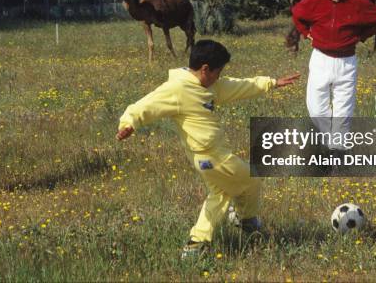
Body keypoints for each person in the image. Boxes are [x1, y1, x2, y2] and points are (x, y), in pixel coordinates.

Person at [116, 40, 299, 258]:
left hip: (213, 157)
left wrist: (271, 83)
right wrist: (128, 123)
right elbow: (144, 106)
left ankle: (196, 244)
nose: (219, 77)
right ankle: (246, 221)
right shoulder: (177, 89)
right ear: (205, 69)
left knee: (220, 193)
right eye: (218, 72)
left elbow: (238, 86)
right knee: (253, 177)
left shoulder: (208, 86)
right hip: (210, 157)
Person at [292, 0, 376, 150]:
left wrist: (361, 36)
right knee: (316, 108)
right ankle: (329, 141)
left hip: (346, 62)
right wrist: (305, 32)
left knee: (343, 111)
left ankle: (337, 152)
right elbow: (296, 13)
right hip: (320, 59)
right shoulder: (315, 0)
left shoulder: (356, 2)